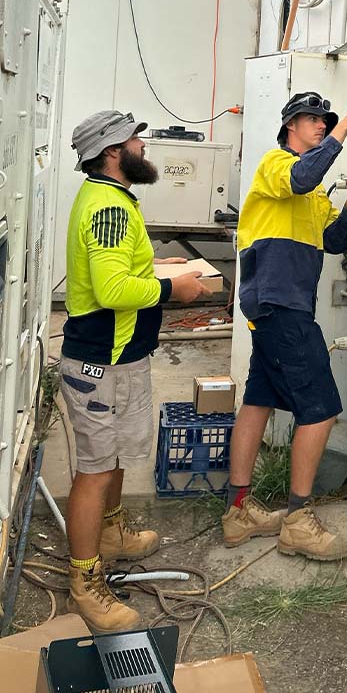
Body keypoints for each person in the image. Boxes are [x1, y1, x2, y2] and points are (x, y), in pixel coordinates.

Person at [62, 110, 205, 632]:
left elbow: (127, 272)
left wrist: (165, 270)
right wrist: (175, 289)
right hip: (103, 362)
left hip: (122, 358)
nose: (143, 144)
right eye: (133, 139)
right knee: (95, 470)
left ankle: (111, 533)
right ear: (111, 152)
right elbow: (111, 292)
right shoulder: (108, 209)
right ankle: (84, 580)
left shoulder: (115, 199)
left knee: (117, 455)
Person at [222, 90, 347, 560]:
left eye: (326, 121)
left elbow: (333, 242)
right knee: (322, 409)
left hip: (278, 309)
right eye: (313, 120)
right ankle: (298, 520)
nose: (322, 126)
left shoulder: (309, 192)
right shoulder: (276, 165)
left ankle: (238, 510)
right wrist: (346, 128)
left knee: (259, 401)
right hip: (279, 305)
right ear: (290, 126)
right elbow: (303, 177)